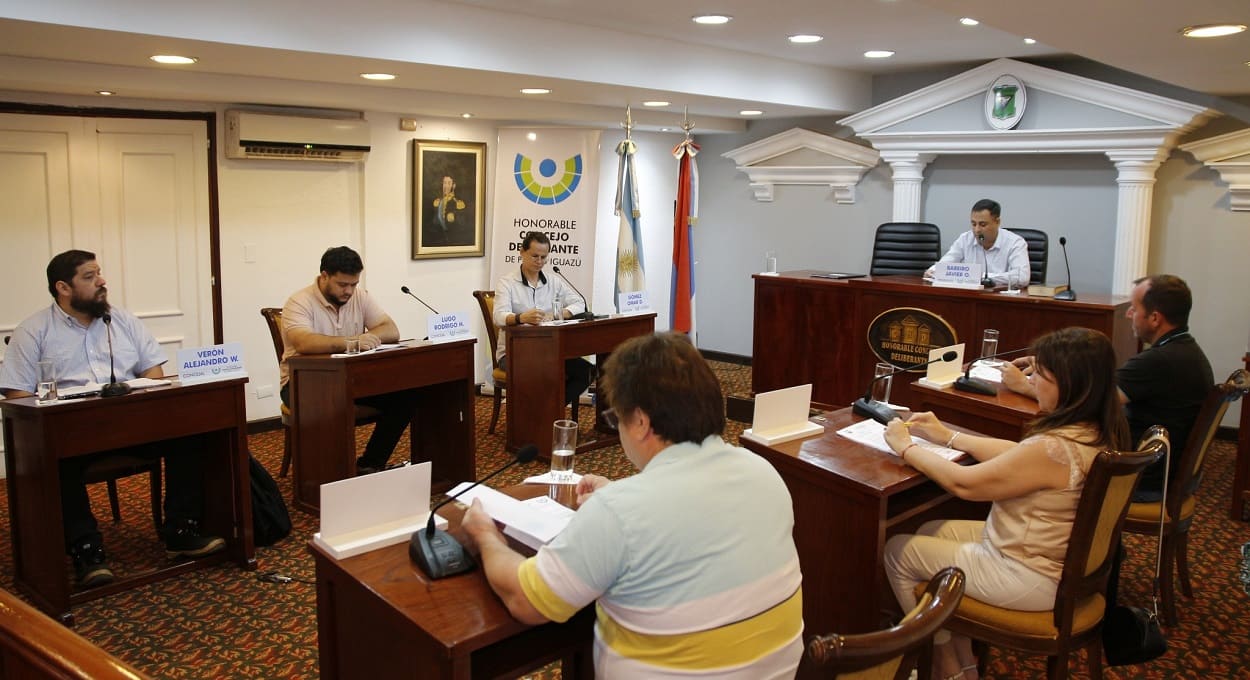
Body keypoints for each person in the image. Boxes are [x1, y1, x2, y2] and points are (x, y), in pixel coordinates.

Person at [461, 332, 804, 678]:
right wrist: (622, 493)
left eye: (616, 418)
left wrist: (484, 534)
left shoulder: (619, 513)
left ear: (640, 422)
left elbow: (524, 600)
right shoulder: (764, 473)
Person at [882, 327, 1129, 680]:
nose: (1031, 382)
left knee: (897, 551)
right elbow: (1018, 456)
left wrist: (906, 447)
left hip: (1029, 575)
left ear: (1071, 385)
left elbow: (963, 485)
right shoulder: (1096, 430)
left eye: (1039, 375)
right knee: (930, 528)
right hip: (1055, 560)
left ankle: (941, 663)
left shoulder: (1053, 447)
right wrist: (946, 436)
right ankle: (965, 658)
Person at [0, 250, 225, 587]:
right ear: (63, 287)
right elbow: (17, 393)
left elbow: (153, 371)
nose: (102, 282)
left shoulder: (121, 320)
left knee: (192, 435)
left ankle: (180, 531)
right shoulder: (33, 331)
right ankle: (87, 551)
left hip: (133, 425)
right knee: (57, 458)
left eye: (99, 273)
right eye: (89, 277)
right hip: (72, 434)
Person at [1000, 274, 1212, 501]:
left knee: (1040, 470)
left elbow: (1088, 405)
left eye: (1133, 308)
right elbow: (1097, 390)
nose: (1129, 314)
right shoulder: (1186, 351)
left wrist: (1023, 386)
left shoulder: (1158, 361)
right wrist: (1049, 370)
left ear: (1154, 318)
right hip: (1161, 469)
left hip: (1138, 476)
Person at [280, 245, 418, 475]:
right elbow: (303, 342)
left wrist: (369, 336)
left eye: (353, 285)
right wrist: (352, 341)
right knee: (334, 405)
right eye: (342, 285)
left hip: (351, 380)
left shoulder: (359, 296)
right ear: (324, 276)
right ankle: (327, 477)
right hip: (301, 384)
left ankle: (370, 464)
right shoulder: (299, 302)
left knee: (406, 397)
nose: (349, 291)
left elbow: (391, 330)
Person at [492, 231, 593, 409]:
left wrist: (557, 314)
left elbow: (579, 303)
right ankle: (539, 416)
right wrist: (520, 317)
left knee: (586, 371)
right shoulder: (506, 283)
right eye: (535, 256)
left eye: (544, 257)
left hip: (549, 350)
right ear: (522, 253)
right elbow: (498, 316)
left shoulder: (554, 282)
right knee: (545, 371)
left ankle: (549, 411)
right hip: (513, 353)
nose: (539, 262)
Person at [924, 198, 1030, 287]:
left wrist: (980, 277)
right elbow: (946, 264)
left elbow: (1022, 277)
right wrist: (933, 270)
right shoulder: (965, 239)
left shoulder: (1015, 243)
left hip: (1001, 300)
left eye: (983, 224)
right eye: (974, 224)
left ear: (997, 222)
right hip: (969, 297)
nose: (977, 230)